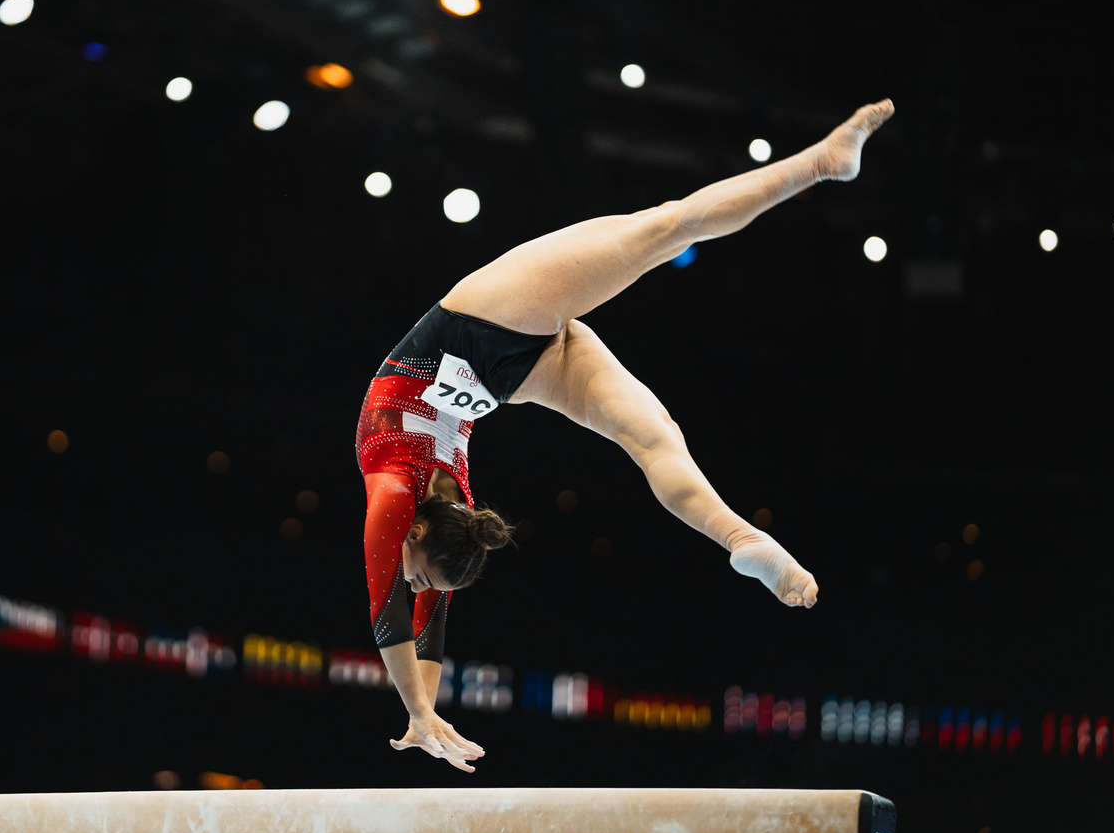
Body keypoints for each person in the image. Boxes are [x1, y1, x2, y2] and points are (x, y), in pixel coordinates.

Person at [355, 100, 896, 772]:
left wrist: (417, 712)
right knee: (652, 435)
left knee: (666, 227)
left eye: (414, 572)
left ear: (412, 532)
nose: (412, 583)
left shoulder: (392, 495)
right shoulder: (447, 518)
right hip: (511, 376)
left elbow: (388, 611)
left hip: (479, 319)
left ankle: (821, 162)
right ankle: (742, 540)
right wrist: (429, 717)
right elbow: (427, 618)